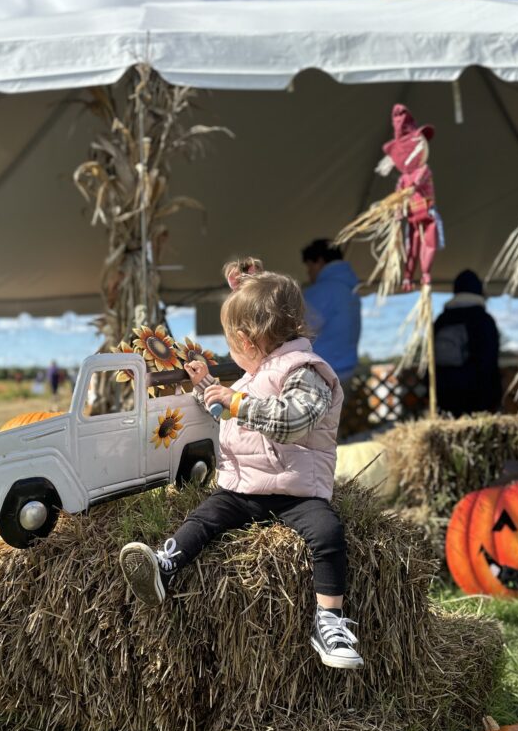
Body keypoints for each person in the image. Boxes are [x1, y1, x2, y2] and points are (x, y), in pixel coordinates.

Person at [118, 257, 363, 670]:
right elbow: (231, 411)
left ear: (248, 342)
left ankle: (330, 620)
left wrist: (235, 402)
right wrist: (207, 389)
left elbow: (293, 420)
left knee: (327, 533)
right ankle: (164, 565)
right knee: (204, 518)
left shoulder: (307, 371)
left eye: (231, 342)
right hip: (244, 487)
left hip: (296, 491)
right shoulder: (254, 375)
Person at [433, 270, 502, 417]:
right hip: (478, 399)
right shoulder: (484, 320)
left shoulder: (441, 320)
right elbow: (489, 361)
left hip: (445, 397)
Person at [301, 239, 362, 387]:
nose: (309, 273)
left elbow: (300, 330)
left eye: (309, 267)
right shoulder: (349, 289)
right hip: (345, 371)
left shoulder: (324, 291)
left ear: (319, 261)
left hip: (323, 375)